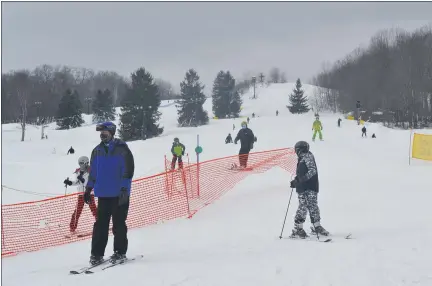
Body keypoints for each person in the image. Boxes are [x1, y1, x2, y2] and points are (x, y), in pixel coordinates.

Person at [85, 121, 135, 265]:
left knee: (118, 225)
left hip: (119, 194)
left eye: (104, 132)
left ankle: (119, 252)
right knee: (100, 226)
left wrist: (125, 189)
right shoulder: (97, 151)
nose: (102, 135)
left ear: (112, 132)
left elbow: (128, 171)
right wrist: (89, 188)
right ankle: (96, 255)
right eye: (101, 133)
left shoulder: (122, 149)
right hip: (103, 195)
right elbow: (93, 173)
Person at [290, 141, 329, 238]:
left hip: (310, 186)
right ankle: (298, 229)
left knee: (311, 206)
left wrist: (299, 179)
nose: (296, 152)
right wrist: (296, 180)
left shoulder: (307, 156)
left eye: (297, 150)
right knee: (304, 206)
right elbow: (302, 173)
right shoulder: (303, 158)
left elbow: (312, 171)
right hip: (304, 187)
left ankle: (315, 226)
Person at [63, 156, 97, 236]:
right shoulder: (78, 171)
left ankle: (101, 224)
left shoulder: (91, 171)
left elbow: (92, 182)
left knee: (93, 209)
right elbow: (78, 182)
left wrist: (83, 180)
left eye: (82, 163)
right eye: (79, 163)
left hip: (89, 193)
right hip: (81, 194)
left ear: (86, 163)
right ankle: (72, 227)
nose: (80, 165)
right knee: (77, 211)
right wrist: (70, 183)